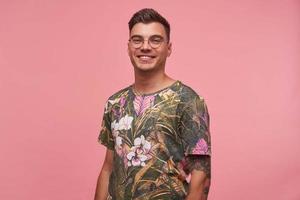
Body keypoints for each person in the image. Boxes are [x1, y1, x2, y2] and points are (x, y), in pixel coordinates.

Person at [94, 8, 211, 200]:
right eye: (137, 39)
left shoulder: (188, 101)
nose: (145, 47)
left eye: (155, 40)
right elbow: (108, 168)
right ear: (129, 46)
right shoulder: (115, 103)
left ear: (169, 48)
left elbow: (201, 177)